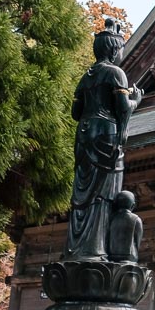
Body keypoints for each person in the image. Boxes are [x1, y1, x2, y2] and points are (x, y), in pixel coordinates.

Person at [62, 18, 143, 261]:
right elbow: (122, 107)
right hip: (107, 133)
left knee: (84, 193)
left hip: (85, 135)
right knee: (104, 193)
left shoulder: (85, 77)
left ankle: (76, 248)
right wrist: (136, 100)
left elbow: (75, 113)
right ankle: (96, 249)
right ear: (115, 50)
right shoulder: (115, 73)